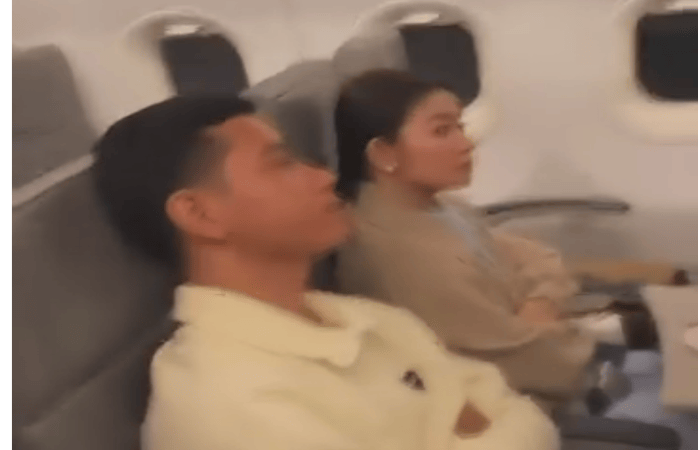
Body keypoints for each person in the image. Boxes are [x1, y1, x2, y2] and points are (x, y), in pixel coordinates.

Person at [92, 95, 559, 450]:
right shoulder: (229, 402)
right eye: (281, 164)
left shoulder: (361, 318)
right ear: (200, 214)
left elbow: (512, 408)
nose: (322, 177)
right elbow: (511, 422)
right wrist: (466, 423)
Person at [333, 69, 666, 413]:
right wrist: (558, 322)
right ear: (384, 154)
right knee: (673, 400)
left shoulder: (438, 208)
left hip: (553, 355)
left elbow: (538, 257)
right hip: (526, 402)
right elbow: (518, 360)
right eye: (442, 131)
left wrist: (539, 303)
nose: (466, 143)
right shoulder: (404, 258)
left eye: (460, 127)